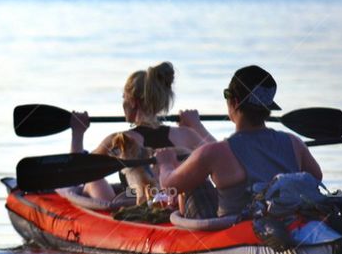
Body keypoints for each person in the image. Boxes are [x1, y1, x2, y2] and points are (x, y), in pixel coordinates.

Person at [155, 65, 323, 217]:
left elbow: (171, 187)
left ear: (234, 102)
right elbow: (316, 177)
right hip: (287, 223)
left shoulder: (215, 153)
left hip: (236, 234)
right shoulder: (294, 143)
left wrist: (166, 164)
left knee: (196, 185)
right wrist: (196, 126)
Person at [70, 62, 211, 202]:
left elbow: (78, 171)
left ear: (133, 102)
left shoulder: (120, 140)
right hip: (176, 198)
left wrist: (77, 132)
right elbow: (227, 157)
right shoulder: (187, 134)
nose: (122, 102)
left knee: (92, 181)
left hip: (136, 201)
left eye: (124, 96)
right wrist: (197, 125)